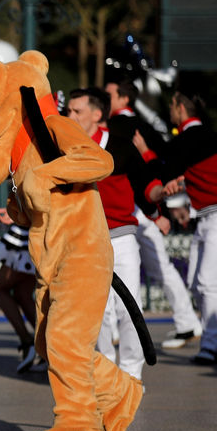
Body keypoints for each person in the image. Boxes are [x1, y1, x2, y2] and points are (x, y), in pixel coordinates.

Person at [67, 87, 161, 381]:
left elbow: (147, 186)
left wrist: (163, 193)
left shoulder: (120, 146)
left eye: (76, 111)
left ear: (97, 115)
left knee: (129, 308)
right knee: (95, 313)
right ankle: (106, 374)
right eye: (68, 110)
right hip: (85, 242)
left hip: (121, 238)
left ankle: (131, 376)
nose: (69, 116)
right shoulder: (64, 149)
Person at [106, 79, 202, 348]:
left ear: (124, 99)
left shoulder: (112, 129)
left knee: (110, 270)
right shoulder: (143, 127)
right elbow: (161, 166)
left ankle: (113, 330)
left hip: (130, 209)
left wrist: (155, 209)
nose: (105, 98)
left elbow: (150, 170)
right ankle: (186, 322)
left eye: (109, 94)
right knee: (160, 267)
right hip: (143, 208)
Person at [132, 87, 217, 365]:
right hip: (205, 218)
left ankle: (211, 345)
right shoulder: (200, 136)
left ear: (181, 108)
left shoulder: (193, 136)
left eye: (172, 104)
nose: (170, 109)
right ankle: (210, 339)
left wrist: (144, 151)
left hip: (214, 216)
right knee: (196, 280)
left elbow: (163, 167)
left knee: (206, 283)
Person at [0, 219, 39, 373]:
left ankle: (29, 342)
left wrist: (17, 211)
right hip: (33, 229)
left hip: (26, 230)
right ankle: (44, 348)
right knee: (23, 294)